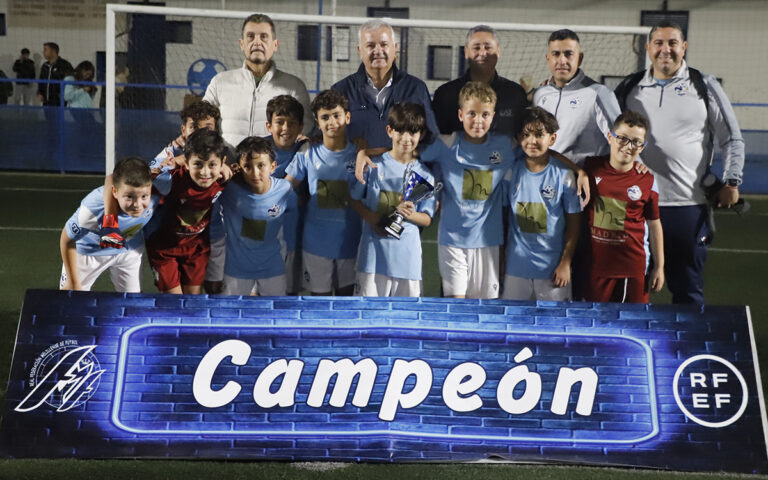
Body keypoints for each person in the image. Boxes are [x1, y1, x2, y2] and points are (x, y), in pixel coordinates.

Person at [614, 21, 745, 304]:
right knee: (631, 291)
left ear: (683, 47)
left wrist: (732, 181)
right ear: (648, 48)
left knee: (687, 292)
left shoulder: (704, 85)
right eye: (659, 43)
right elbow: (609, 136)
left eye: (673, 43)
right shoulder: (629, 88)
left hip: (687, 206)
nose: (666, 50)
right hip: (637, 205)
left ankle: (691, 335)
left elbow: (732, 138)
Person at [419, 82, 519, 299]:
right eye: (472, 113)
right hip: (452, 240)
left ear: (493, 117)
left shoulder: (505, 146)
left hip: (488, 241)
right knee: (456, 306)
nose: (478, 121)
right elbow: (409, 154)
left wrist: (578, 171)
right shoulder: (446, 145)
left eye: (485, 115)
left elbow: (538, 153)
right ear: (460, 115)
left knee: (485, 308)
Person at [349, 102, 436, 297]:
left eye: (412, 132)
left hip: (408, 261)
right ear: (389, 131)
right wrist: (374, 219)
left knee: (405, 315)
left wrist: (410, 214)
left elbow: (427, 218)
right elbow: (354, 199)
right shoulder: (372, 165)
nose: (406, 138)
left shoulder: (425, 175)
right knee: (368, 313)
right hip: (372, 259)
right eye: (400, 131)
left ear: (421, 135)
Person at [284, 90, 361, 296]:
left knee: (347, 301)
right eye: (325, 117)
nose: (332, 122)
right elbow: (285, 187)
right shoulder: (308, 151)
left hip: (350, 242)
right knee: (319, 301)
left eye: (337, 115)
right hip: (316, 244)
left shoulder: (359, 154)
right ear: (317, 123)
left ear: (347, 117)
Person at [582, 111, 664, 303]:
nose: (628, 146)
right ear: (610, 137)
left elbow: (654, 225)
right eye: (623, 138)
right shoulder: (589, 168)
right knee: (594, 320)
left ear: (642, 147)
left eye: (636, 142)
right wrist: (578, 170)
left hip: (631, 268)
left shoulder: (647, 180)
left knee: (633, 320)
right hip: (595, 267)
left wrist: (659, 267)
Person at [502, 107, 582, 301]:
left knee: (553, 320)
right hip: (516, 267)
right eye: (526, 135)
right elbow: (503, 220)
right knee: (513, 319)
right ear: (519, 137)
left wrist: (565, 263)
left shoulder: (564, 175)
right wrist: (501, 259)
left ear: (552, 139)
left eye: (539, 135)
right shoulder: (511, 172)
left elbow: (574, 224)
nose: (532, 141)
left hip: (552, 270)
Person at [203, 13, 313, 148]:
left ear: (275, 45)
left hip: (274, 162)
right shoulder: (219, 82)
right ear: (242, 44)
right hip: (227, 161)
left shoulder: (294, 86)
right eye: (250, 36)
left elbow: (305, 129)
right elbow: (200, 121)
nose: (257, 42)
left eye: (263, 37)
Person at [144, 129, 230, 294]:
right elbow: (138, 179)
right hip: (164, 250)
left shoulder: (224, 180)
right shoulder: (170, 179)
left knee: (193, 300)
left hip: (196, 250)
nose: (205, 172)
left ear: (222, 162)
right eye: (198, 164)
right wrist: (162, 167)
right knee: (174, 302)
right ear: (186, 161)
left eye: (212, 164)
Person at [209, 137, 297, 296]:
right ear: (239, 167)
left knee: (275, 310)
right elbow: (206, 192)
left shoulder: (285, 190)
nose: (255, 173)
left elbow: (293, 224)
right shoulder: (229, 189)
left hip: (272, 269)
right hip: (236, 270)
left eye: (261, 165)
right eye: (247, 166)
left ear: (273, 166)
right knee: (230, 310)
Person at [331, 19, 438, 149]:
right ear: (360, 51)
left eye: (384, 44)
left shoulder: (416, 88)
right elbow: (325, 136)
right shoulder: (341, 91)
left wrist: (408, 159)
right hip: (355, 163)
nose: (378, 51)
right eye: (370, 45)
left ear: (395, 48)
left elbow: (431, 138)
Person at [59, 157, 158, 292]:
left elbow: (111, 177)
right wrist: (72, 280)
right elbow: (67, 239)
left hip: (129, 250)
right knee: (72, 298)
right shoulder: (93, 210)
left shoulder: (158, 186)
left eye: (144, 197)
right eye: (129, 197)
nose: (137, 205)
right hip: (89, 252)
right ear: (114, 192)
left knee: (132, 300)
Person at [532, 29, 621, 165]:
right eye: (556, 54)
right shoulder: (540, 94)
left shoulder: (599, 94)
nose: (562, 61)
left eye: (568, 54)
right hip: (546, 174)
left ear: (580, 58)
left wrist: (634, 167)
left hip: (584, 175)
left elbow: (621, 140)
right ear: (548, 58)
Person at [432, 25, 528, 136]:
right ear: (466, 52)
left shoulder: (515, 94)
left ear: (498, 51)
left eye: (488, 47)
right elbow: (437, 138)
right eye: (476, 48)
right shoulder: (445, 95)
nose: (482, 53)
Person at [264, 94, 308, 295]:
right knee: (258, 291)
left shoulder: (306, 150)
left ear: (300, 127)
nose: (286, 128)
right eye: (280, 122)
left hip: (293, 233)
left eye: (292, 123)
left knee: (290, 291)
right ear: (269, 126)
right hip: (262, 234)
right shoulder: (257, 149)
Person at [149, 100, 221, 170]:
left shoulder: (222, 154)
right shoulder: (170, 153)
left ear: (216, 131)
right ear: (183, 130)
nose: (201, 133)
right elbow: (149, 175)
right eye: (194, 127)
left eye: (207, 128)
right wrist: (172, 165)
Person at [38, 42, 73, 107]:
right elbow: (41, 80)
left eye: (45, 50)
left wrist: (63, 93)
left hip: (60, 102)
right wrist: (40, 93)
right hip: (46, 102)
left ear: (53, 51)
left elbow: (70, 82)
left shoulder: (65, 65)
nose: (43, 52)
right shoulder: (45, 66)